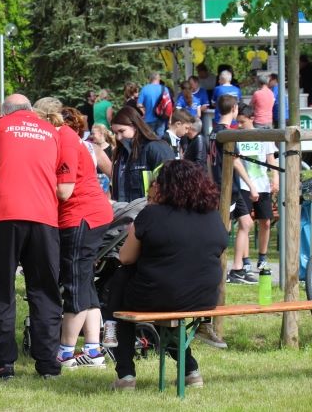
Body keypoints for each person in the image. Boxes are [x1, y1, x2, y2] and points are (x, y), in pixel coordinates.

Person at [108, 160, 227, 391]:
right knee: (170, 300)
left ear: (166, 186)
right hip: (204, 298)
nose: (153, 186)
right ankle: (190, 369)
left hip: (159, 295)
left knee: (122, 280)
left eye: (157, 182)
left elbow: (126, 258)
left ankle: (125, 373)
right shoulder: (212, 216)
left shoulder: (151, 214)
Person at [0, 93, 62, 380]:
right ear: (30, 110)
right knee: (44, 290)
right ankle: (47, 364)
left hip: (5, 215)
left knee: (2, 288)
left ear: (5, 111)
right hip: (44, 217)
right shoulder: (51, 130)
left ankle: (2, 363)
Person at [34, 98, 114, 369]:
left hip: (81, 215)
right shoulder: (64, 137)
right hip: (88, 213)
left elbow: (65, 190)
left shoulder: (64, 138)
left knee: (75, 285)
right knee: (85, 283)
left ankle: (65, 352)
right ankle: (92, 350)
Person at [209, 95, 259, 287]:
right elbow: (235, 161)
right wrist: (251, 185)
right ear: (234, 109)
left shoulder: (214, 131)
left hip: (230, 187)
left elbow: (209, 160)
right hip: (226, 186)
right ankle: (215, 269)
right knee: (224, 229)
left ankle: (237, 269)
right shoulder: (227, 133)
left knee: (246, 223)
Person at [236, 104, 278, 271]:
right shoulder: (237, 137)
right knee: (245, 224)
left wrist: (275, 178)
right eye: (238, 122)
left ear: (252, 119)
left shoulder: (263, 136)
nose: (240, 125)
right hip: (243, 185)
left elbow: (271, 159)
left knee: (265, 222)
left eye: (242, 122)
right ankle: (245, 261)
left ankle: (262, 257)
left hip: (262, 184)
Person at [109, 106, 175, 203]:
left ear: (135, 126)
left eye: (122, 131)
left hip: (150, 209)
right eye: (115, 133)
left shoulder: (156, 148)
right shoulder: (121, 153)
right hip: (124, 209)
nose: (118, 137)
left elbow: (170, 183)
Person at [137, 71, 167, 137]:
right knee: (160, 138)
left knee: (149, 138)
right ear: (158, 79)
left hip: (148, 119)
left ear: (150, 79)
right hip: (161, 119)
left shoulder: (145, 89)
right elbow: (169, 105)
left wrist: (144, 112)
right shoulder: (164, 89)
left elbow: (139, 105)